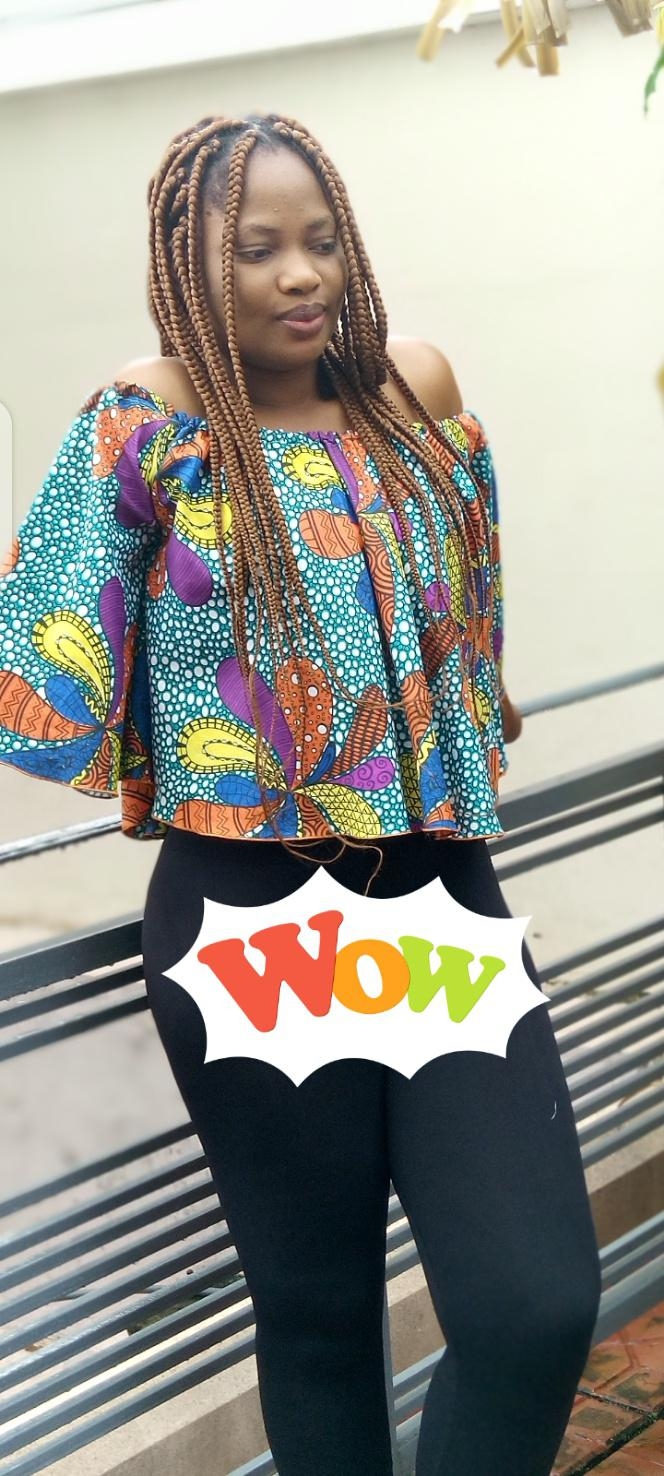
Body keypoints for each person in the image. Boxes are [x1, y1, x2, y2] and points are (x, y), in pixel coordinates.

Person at [0, 111, 600, 1475]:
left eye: (321, 241)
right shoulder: (149, 425)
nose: (299, 273)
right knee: (319, 1318)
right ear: (185, 267)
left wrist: (465, 695)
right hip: (244, 917)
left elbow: (470, 609)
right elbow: (43, 652)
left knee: (533, 1304)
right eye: (256, 247)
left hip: (435, 901)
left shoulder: (412, 391)